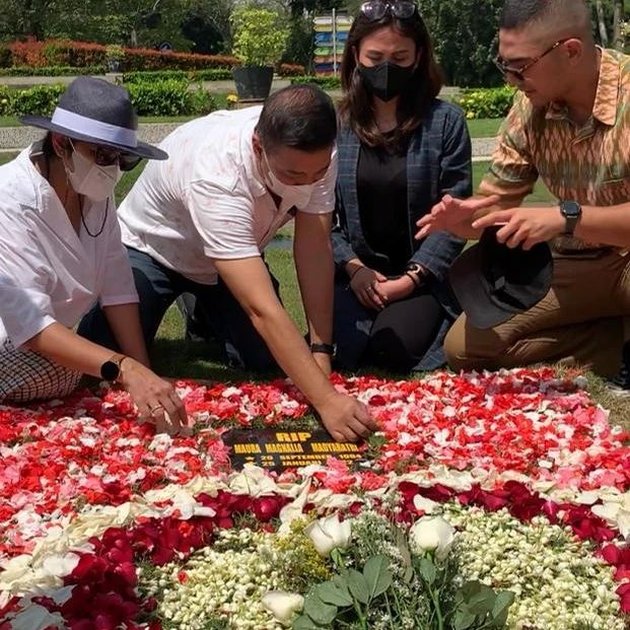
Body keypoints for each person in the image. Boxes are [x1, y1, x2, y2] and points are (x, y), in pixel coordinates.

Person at [80, 84, 377, 442]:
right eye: (294, 176)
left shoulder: (315, 154)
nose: (308, 183)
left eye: (316, 175)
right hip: (152, 249)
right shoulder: (217, 172)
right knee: (103, 357)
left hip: (232, 257)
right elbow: (260, 308)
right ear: (258, 147)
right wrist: (327, 400)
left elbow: (314, 247)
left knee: (267, 359)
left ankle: (206, 311)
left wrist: (320, 350)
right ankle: (196, 303)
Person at [416, 0, 630, 388]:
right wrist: (466, 220)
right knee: (467, 350)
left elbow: (568, 219)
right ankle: (613, 342)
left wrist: (567, 216)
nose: (510, 79)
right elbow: (496, 203)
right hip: (578, 263)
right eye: (504, 65)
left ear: (570, 51)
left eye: (520, 66)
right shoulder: (528, 108)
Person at [0, 76, 188, 433]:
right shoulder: (9, 199)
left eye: (122, 158)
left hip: (50, 332)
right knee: (62, 367)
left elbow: (118, 287)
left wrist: (143, 366)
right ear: (60, 143)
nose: (111, 168)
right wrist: (125, 368)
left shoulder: (94, 192)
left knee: (89, 358)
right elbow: (32, 327)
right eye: (102, 155)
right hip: (11, 338)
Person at [331, 0, 470, 372]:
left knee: (390, 351)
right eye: (375, 57)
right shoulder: (337, 123)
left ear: (419, 56)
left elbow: (454, 217)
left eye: (400, 57)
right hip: (355, 274)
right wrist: (354, 268)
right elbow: (321, 217)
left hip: (420, 277)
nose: (386, 68)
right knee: (345, 351)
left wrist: (410, 280)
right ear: (356, 55)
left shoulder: (446, 122)